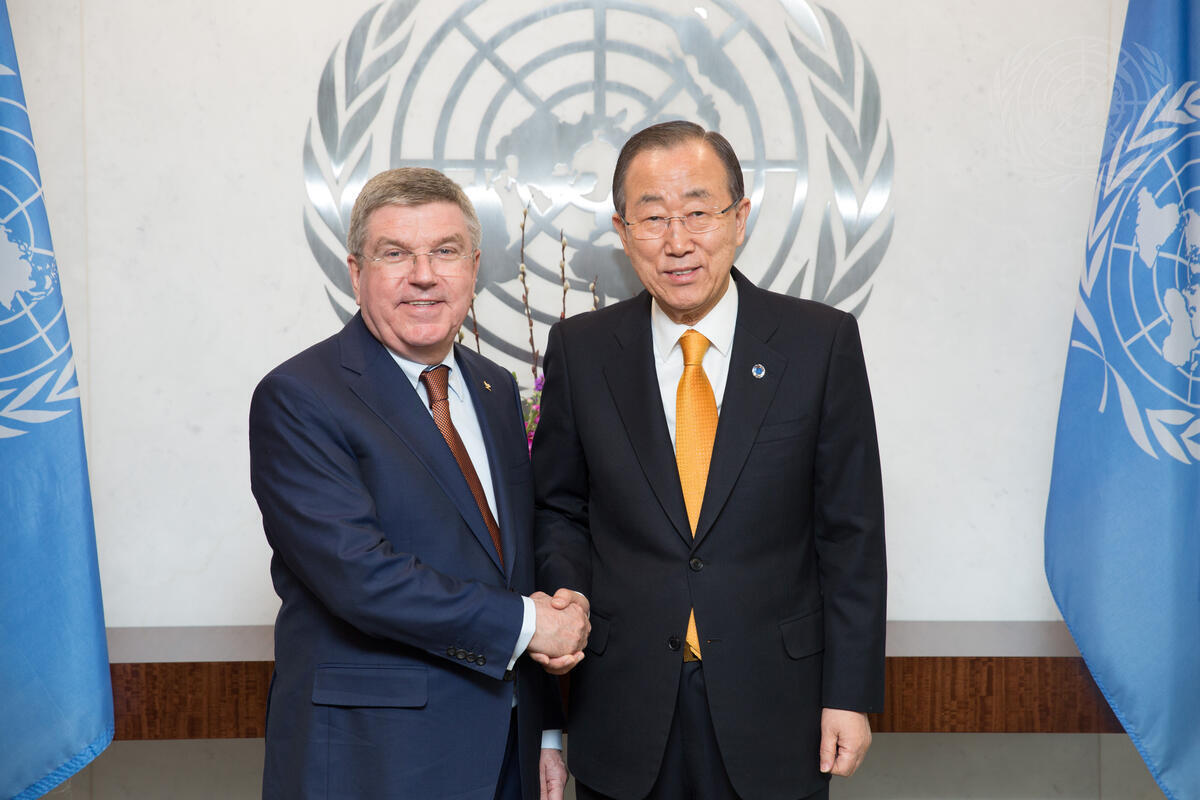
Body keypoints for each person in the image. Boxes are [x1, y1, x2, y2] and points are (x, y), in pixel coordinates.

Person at [532, 121, 886, 800]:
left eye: (698, 213)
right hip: (624, 703)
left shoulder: (819, 343)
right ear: (622, 230)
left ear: (739, 218)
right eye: (652, 218)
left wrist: (850, 693)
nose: (677, 242)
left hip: (777, 704)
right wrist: (567, 592)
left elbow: (852, 533)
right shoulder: (582, 349)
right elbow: (559, 507)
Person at [249, 167, 590, 800]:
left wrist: (545, 728)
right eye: (395, 254)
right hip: (375, 759)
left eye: (445, 251)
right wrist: (528, 624)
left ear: (474, 267)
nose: (424, 275)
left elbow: (514, 568)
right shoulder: (299, 397)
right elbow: (359, 577)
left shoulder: (494, 388)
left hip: (506, 752)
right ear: (356, 272)